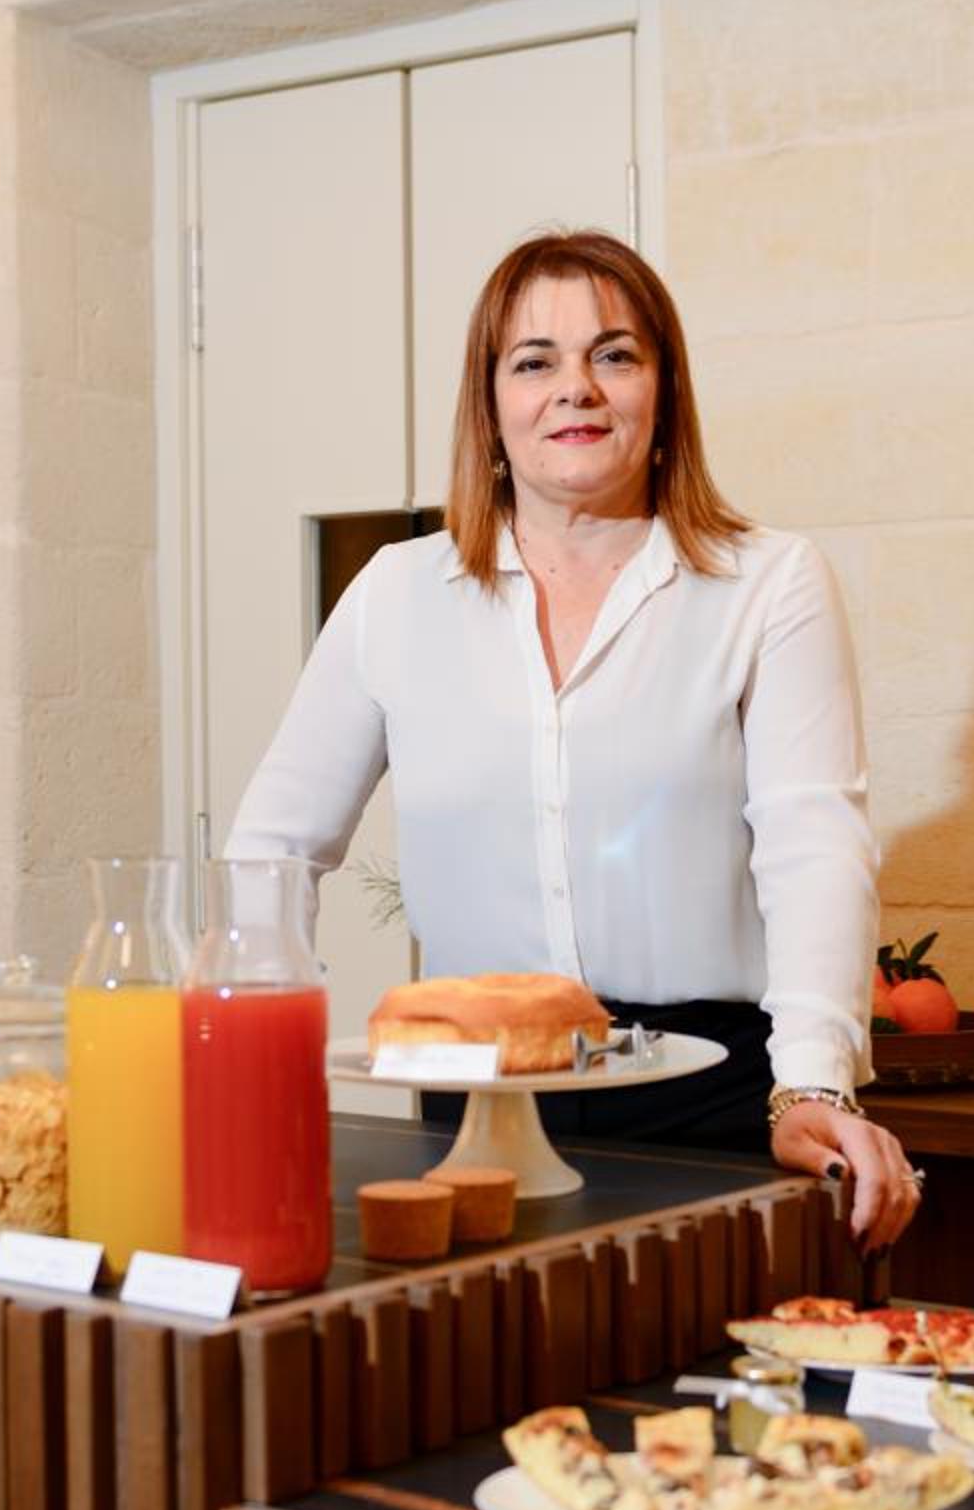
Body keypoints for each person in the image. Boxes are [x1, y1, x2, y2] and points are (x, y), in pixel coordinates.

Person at [226, 230, 922, 1249]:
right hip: (474, 1094)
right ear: (491, 405)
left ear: (664, 393)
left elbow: (813, 846)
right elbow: (274, 845)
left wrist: (811, 1084)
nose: (576, 389)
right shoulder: (394, 595)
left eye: (615, 354)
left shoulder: (768, 582)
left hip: (709, 1094)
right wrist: (260, 1061)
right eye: (534, 361)